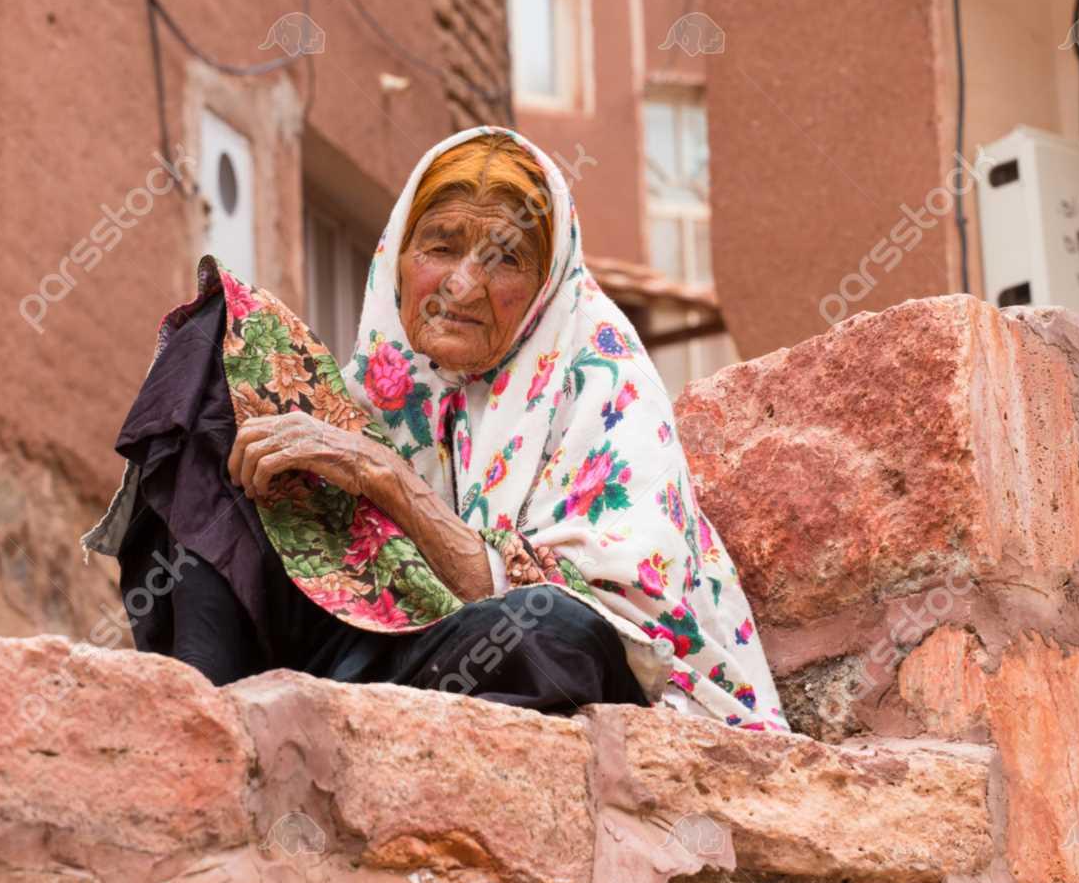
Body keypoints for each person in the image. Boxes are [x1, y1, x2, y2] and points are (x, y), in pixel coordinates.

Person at [82, 127, 787, 730]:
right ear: (398, 256)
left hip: (518, 663)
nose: (461, 286)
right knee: (219, 341)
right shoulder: (380, 387)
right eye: (441, 246)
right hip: (380, 664)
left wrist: (383, 477)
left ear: (546, 282)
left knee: (552, 628)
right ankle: (212, 721)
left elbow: (618, 639)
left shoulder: (602, 378)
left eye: (506, 257)